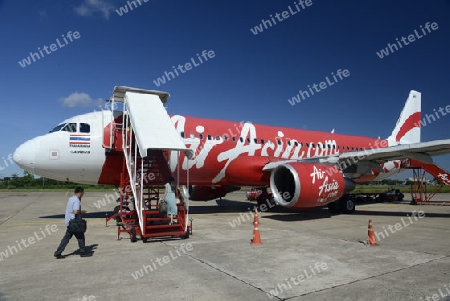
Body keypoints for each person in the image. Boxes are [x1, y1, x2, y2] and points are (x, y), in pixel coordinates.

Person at [54, 187, 90, 258]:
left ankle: (58, 252)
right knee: (80, 237)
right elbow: (76, 211)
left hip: (69, 222)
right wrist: (82, 212)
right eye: (83, 193)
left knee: (67, 238)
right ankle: (82, 252)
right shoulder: (76, 200)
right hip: (75, 223)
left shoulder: (71, 199)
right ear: (81, 192)